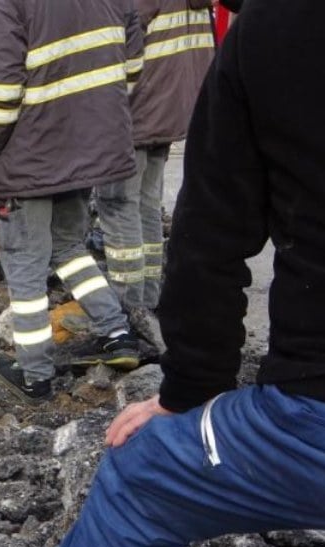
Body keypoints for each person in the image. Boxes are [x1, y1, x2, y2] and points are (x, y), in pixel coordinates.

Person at [0, 1, 325, 547]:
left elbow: (210, 240)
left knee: (139, 472)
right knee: (88, 243)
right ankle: (118, 325)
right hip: (103, 143)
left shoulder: (276, 29)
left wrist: (190, 392)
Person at [0, 0, 145, 403]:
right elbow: (131, 69)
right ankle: (117, 334)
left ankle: (35, 375)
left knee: (24, 261)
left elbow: (0, 89)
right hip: (83, 150)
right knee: (69, 247)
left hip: (29, 156)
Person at [93, 0, 214, 313]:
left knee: (118, 204)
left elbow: (114, 40)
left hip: (138, 110)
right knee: (146, 204)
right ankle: (150, 297)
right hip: (170, 108)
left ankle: (128, 307)